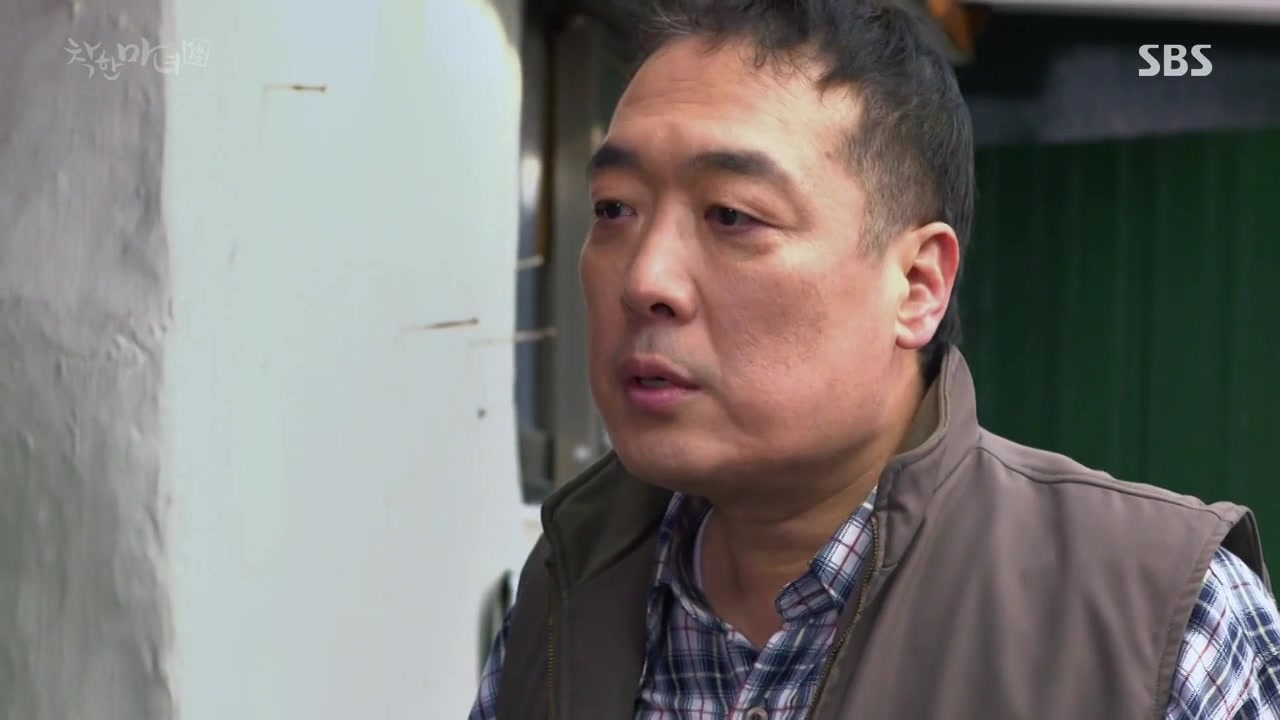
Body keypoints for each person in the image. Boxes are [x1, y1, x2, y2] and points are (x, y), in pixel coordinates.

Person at [470, 1, 1278, 718]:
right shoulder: (570, 588)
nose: (646, 279)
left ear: (918, 285)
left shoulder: (1159, 621)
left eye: (731, 216)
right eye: (614, 209)